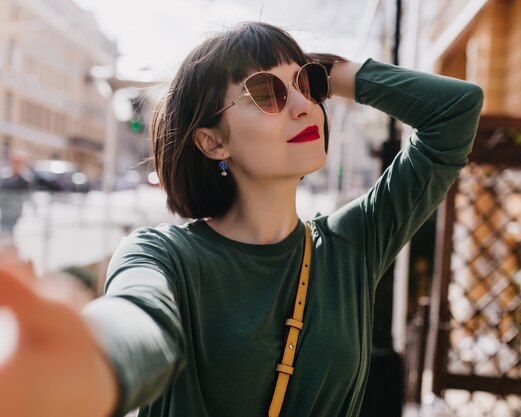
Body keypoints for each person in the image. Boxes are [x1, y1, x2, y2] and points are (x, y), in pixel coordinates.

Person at [0, 21, 483, 417]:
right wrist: (91, 367)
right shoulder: (164, 256)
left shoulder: (353, 244)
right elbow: (141, 324)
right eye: (264, 92)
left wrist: (333, 73)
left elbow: (456, 112)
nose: (301, 106)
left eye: (306, 86)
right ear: (213, 142)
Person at [0, 151, 32, 239]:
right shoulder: (5, 176)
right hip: (4, 211)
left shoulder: (24, 179)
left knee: (9, 234)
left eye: (17, 162)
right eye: (14, 162)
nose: (15, 164)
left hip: (15, 213)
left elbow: (27, 195)